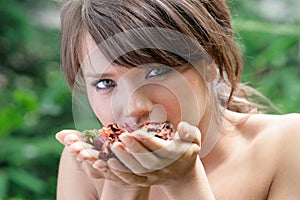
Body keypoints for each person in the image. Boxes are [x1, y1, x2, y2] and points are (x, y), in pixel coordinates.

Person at [55, 0, 300, 199]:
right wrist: (123, 184)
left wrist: (186, 183)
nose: (134, 108)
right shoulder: (86, 167)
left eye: (156, 72)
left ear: (210, 63)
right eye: (105, 83)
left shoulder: (285, 145)